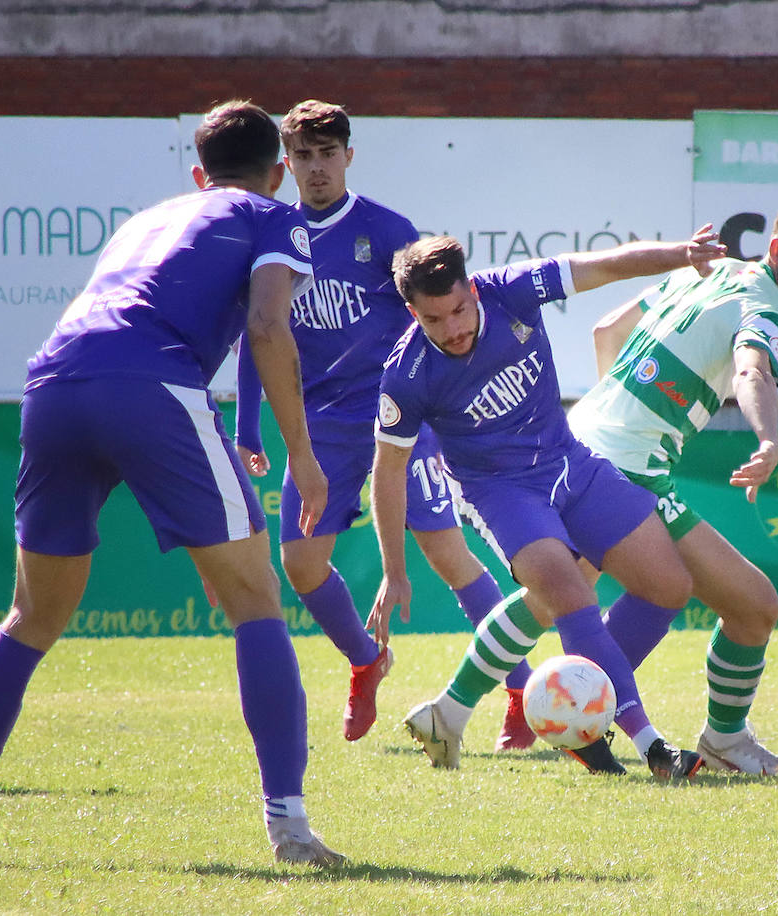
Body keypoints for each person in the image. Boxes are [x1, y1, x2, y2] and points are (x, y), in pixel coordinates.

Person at [0, 101, 344, 868]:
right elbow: (270, 327)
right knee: (254, 599)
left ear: (198, 174)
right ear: (278, 174)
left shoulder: (146, 219)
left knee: (32, 616)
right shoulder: (275, 218)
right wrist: (301, 453)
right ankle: (292, 830)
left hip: (53, 383)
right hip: (151, 385)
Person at [415, 196, 778, 776]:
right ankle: (695, 735)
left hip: (581, 441)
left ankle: (456, 713)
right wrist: (768, 440)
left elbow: (608, 329)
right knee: (752, 605)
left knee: (556, 594)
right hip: (629, 466)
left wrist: (615, 422)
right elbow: (752, 369)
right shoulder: (768, 310)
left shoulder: (709, 272)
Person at [368, 229, 727, 780]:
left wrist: (682, 255)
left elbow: (602, 264)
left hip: (570, 463)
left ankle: (517, 712)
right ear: (412, 312)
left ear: (473, 290)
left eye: (460, 309)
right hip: (500, 493)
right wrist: (394, 571)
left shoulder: (512, 291)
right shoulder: (407, 375)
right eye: (434, 319)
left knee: (669, 587)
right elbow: (388, 474)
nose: (454, 328)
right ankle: (653, 748)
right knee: (566, 591)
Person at [232, 99, 530, 748]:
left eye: (328, 154)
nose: (316, 169)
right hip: (319, 430)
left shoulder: (387, 231)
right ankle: (368, 660)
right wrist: (250, 426)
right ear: (286, 165)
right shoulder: (273, 236)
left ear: (349, 156)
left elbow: (445, 317)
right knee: (302, 566)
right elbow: (262, 334)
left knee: (446, 553)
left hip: (399, 416)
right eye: (303, 157)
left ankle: (522, 694)